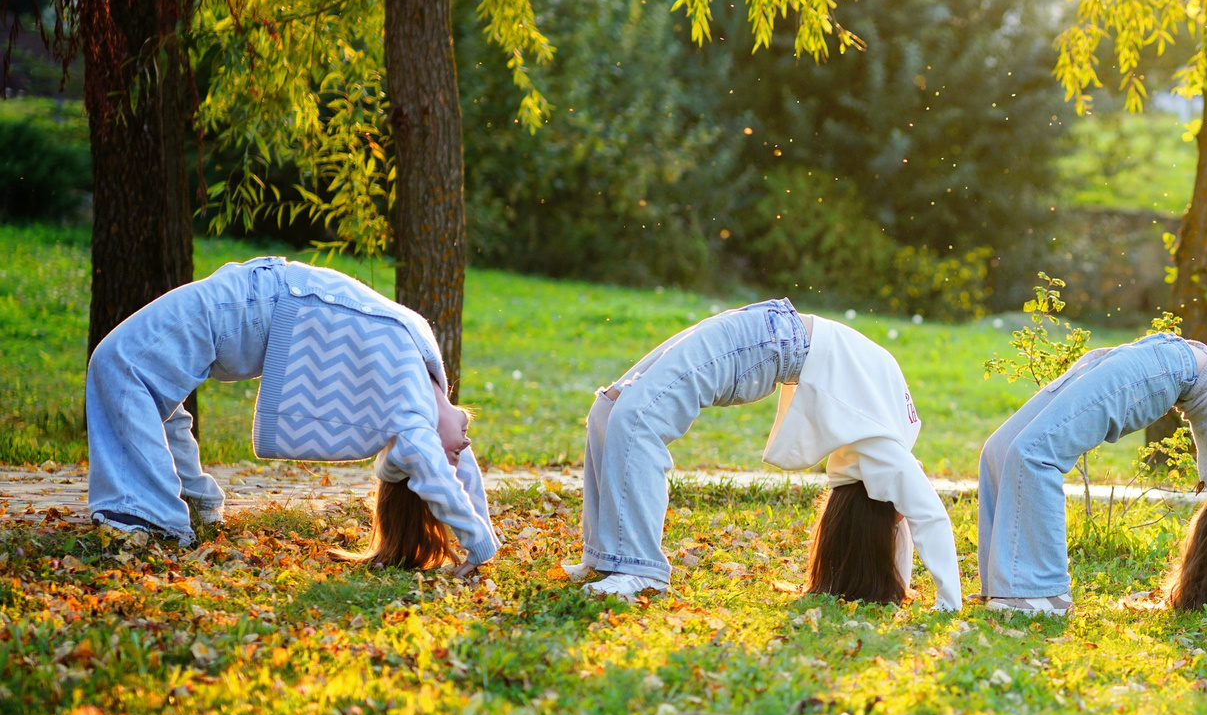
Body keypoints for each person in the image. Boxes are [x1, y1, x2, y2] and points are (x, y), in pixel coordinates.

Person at [84, 256, 498, 571]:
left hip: (249, 306)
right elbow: (459, 474)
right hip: (256, 298)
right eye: (463, 445)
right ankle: (190, 504)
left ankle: (154, 514)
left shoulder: (413, 407)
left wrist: (479, 545)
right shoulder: (424, 369)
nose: (464, 447)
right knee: (141, 380)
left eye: (453, 454)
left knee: (121, 365)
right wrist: (484, 536)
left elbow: (438, 469)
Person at [573, 303, 960, 608]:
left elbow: (901, 523)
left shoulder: (877, 451)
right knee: (619, 413)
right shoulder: (887, 455)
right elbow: (925, 515)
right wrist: (948, 601)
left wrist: (900, 583)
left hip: (767, 329)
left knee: (624, 412)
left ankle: (625, 564)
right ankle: (623, 563)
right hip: (770, 336)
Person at [976, 332, 1207, 620]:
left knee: (1030, 453)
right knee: (1001, 448)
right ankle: (1013, 587)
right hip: (1154, 362)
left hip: (1154, 364)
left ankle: (1037, 592)